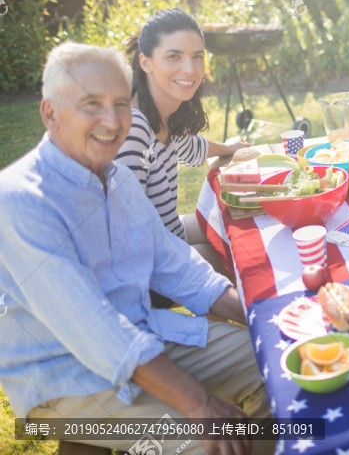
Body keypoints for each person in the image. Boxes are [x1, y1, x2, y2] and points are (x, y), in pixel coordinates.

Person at [0, 43, 271, 455]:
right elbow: (93, 330)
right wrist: (197, 402)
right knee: (209, 447)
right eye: (91, 103)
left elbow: (178, 266)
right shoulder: (20, 200)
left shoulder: (119, 180)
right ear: (50, 114)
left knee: (282, 363)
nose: (111, 121)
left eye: (121, 104)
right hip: (64, 376)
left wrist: (263, 320)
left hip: (142, 334)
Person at [118, 8, 247, 279]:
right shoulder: (134, 128)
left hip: (168, 234)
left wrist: (229, 149)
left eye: (197, 56)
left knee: (236, 222)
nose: (190, 69)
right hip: (147, 267)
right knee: (238, 258)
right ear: (146, 62)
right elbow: (126, 233)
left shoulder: (164, 113)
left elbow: (192, 149)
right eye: (174, 56)